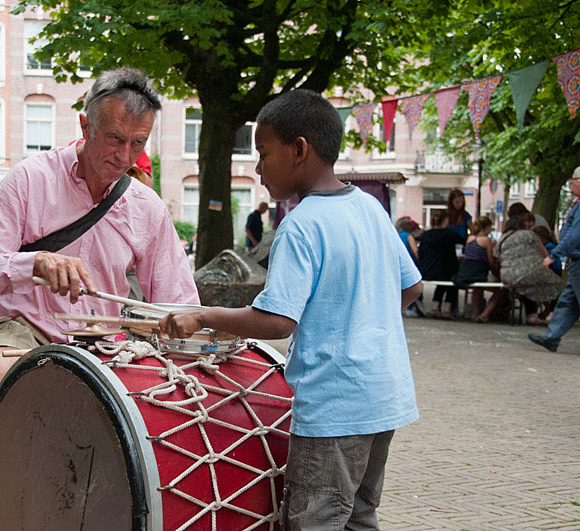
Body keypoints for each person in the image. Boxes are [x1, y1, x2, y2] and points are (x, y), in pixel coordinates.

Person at [0, 67, 199, 530]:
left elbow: (176, 301)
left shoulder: (145, 207)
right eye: (114, 138)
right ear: (85, 126)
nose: (124, 155)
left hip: (103, 337)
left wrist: (188, 340)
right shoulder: (30, 179)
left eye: (138, 143)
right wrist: (34, 264)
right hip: (24, 326)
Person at [160, 89, 421, 530]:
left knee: (313, 521)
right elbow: (411, 287)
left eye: (263, 154)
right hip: (384, 396)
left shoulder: (300, 224)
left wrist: (202, 316)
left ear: (299, 149)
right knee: (359, 516)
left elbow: (278, 322)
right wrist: (360, 317)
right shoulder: (371, 209)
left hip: (335, 408)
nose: (258, 168)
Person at [529, 167, 580, 352]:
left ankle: (551, 337)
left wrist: (553, 255)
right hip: (575, 261)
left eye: (573, 180)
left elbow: (575, 235)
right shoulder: (577, 203)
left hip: (578, 260)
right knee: (568, 303)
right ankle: (551, 337)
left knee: (571, 301)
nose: (570, 184)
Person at [494, 215, 563, 325]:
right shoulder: (530, 235)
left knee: (526, 287)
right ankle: (552, 313)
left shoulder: (502, 238)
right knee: (558, 285)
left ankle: (531, 315)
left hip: (508, 276)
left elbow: (497, 257)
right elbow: (545, 253)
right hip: (530, 271)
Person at [451, 216, 502, 322]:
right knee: (498, 291)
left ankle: (475, 313)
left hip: (466, 271)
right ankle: (484, 314)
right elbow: (490, 260)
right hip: (478, 271)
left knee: (477, 288)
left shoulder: (470, 239)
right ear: (487, 227)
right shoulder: (486, 240)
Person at [419, 210, 465, 318]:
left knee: (442, 281)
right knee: (453, 279)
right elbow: (464, 241)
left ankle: (435, 306)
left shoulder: (425, 235)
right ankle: (447, 308)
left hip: (427, 270)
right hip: (446, 271)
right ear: (445, 220)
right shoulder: (449, 234)